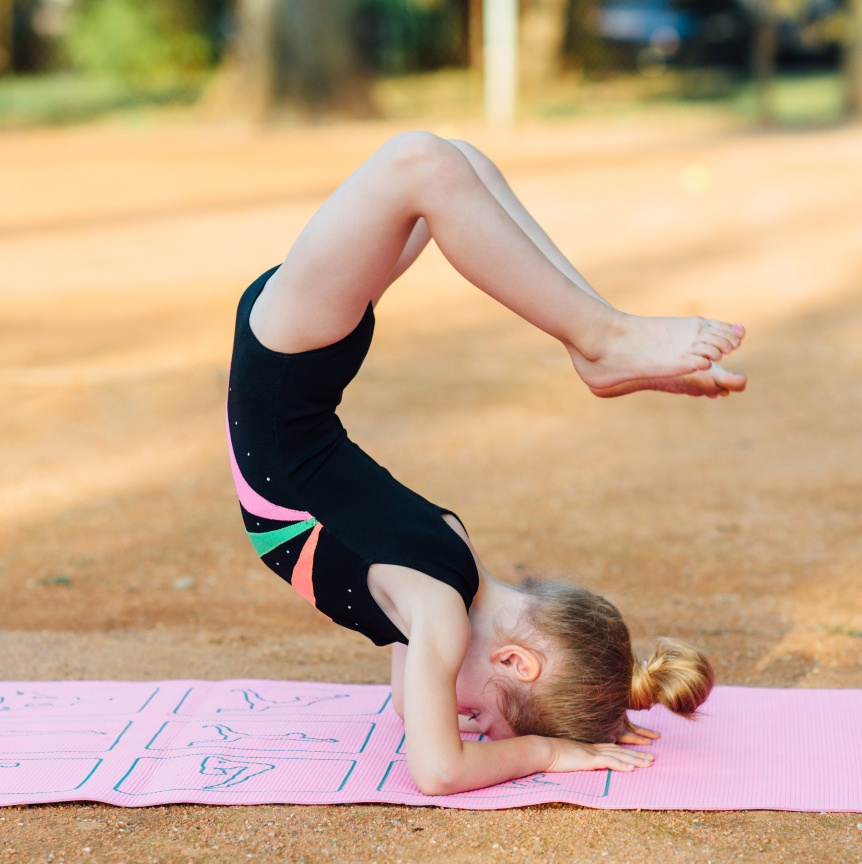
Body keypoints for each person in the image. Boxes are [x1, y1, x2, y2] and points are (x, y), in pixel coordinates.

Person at [226, 132, 745, 795]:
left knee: (444, 166)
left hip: (296, 371)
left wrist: (588, 705)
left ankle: (598, 340)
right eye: (478, 714)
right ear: (512, 660)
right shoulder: (435, 609)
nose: (457, 715)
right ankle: (602, 339)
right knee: (439, 164)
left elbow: (419, 718)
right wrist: (545, 752)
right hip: (286, 370)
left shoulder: (451, 557)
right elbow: (439, 770)